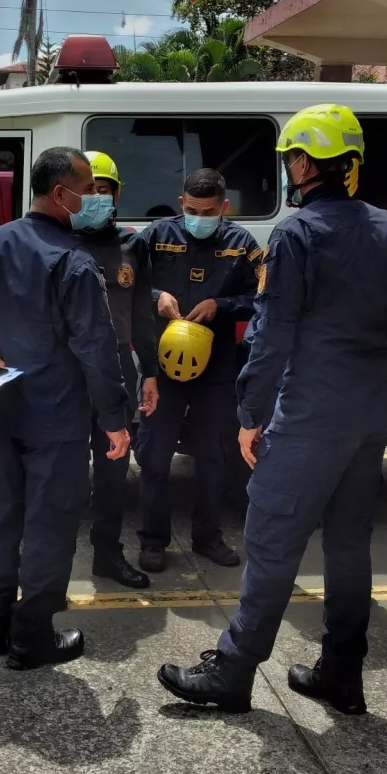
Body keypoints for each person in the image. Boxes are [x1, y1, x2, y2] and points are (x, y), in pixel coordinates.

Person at [158, 104, 387, 714]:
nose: (287, 169)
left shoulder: (297, 233)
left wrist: (249, 413)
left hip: (308, 411)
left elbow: (272, 332)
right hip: (368, 407)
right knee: (350, 545)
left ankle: (233, 671)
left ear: (303, 161)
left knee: (273, 539)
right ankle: (342, 673)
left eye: (289, 160)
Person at [0, 146, 132, 670]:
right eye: (88, 188)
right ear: (60, 194)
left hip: (1, 409)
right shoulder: (73, 261)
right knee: (50, 524)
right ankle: (32, 637)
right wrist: (115, 420)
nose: (95, 198)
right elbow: (97, 350)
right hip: (57, 418)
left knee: (1, 516)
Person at [131, 168, 261, 573]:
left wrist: (221, 305)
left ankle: (208, 537)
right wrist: (156, 297)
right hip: (162, 369)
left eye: (209, 211)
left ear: (224, 206)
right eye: (192, 209)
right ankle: (153, 541)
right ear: (181, 202)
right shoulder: (155, 237)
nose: (199, 217)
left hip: (216, 368)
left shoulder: (241, 244)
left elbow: (264, 297)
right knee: (154, 455)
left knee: (212, 457)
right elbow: (124, 282)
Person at [75, 151, 158, 589]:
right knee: (63, 473)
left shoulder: (132, 244)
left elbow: (142, 313)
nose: (95, 198)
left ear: (116, 194)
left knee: (112, 469)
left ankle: (108, 554)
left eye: (102, 190)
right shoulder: (56, 241)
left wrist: (151, 372)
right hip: (69, 373)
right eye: (86, 191)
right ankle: (50, 568)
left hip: (120, 367)